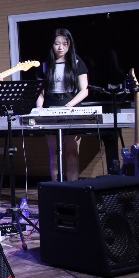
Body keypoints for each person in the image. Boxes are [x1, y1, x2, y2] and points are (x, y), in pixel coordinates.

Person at [35, 28, 89, 181]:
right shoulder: (45, 65)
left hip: (71, 109)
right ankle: (56, 187)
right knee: (54, 153)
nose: (61, 47)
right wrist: (39, 109)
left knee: (72, 153)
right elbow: (40, 93)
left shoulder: (77, 63)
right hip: (50, 110)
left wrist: (69, 105)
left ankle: (72, 188)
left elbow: (84, 90)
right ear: (51, 45)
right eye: (57, 43)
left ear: (69, 45)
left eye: (64, 44)